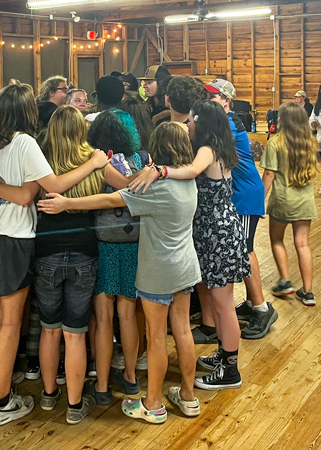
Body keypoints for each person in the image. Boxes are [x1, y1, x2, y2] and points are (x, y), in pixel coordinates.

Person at [38, 121, 202, 424]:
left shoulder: (158, 187)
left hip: (159, 270)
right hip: (186, 266)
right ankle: (189, 397)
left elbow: (110, 199)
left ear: (158, 147)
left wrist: (66, 203)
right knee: (181, 330)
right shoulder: (187, 179)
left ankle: (152, 404)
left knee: (155, 337)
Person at [0, 83, 109, 426]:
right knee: (11, 324)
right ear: (29, 112)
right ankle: (2, 401)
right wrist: (93, 164)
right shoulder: (25, 142)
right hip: (13, 240)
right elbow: (51, 189)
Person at [130, 100, 250, 390]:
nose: (187, 126)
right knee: (220, 303)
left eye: (190, 121)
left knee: (223, 305)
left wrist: (160, 172)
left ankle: (230, 369)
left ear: (202, 122)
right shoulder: (219, 147)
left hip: (217, 232)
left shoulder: (207, 150)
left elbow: (192, 171)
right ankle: (224, 355)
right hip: (220, 230)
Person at [34, 106, 105, 424]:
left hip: (46, 250)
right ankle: (75, 406)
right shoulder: (95, 159)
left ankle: (49, 396)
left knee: (49, 330)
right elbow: (128, 185)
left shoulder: (40, 159)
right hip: (84, 251)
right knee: (75, 333)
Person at [83, 109, 148, 405]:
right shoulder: (140, 160)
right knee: (128, 313)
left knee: (104, 316)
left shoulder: (94, 162)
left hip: (104, 241)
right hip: (134, 240)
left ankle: (102, 384)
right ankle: (131, 377)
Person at [204, 79, 277, 340]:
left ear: (226, 100)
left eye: (212, 97)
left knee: (245, 249)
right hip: (239, 195)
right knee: (243, 248)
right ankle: (251, 303)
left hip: (244, 196)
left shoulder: (229, 123)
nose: (207, 100)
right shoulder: (225, 120)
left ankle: (261, 308)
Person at [261, 102, 318, 306]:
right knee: (302, 244)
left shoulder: (275, 143)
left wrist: (259, 200)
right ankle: (308, 292)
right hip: (304, 202)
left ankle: (285, 281)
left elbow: (269, 174)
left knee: (277, 240)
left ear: (282, 120)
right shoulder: (309, 142)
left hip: (283, 201)